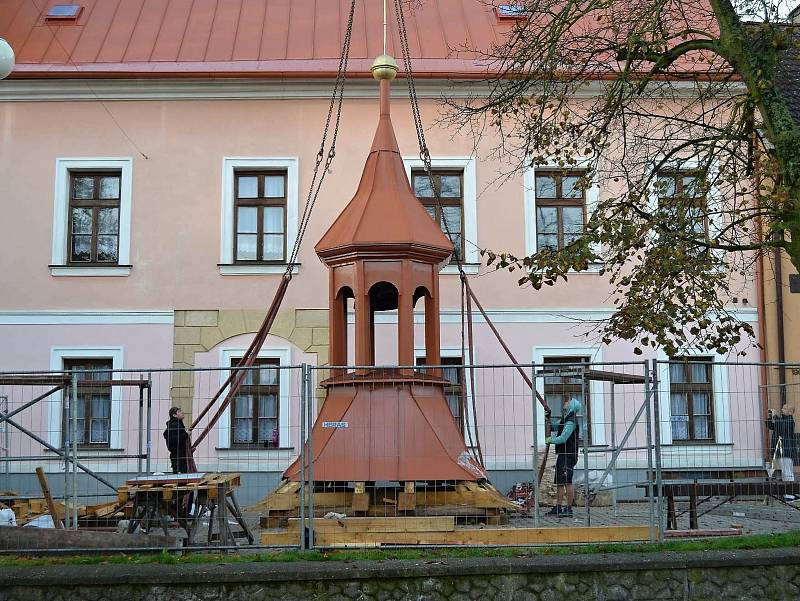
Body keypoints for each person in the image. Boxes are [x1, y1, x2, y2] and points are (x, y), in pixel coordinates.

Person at [544, 397, 582, 518]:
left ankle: (569, 509)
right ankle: (559, 507)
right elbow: (555, 427)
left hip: (568, 455)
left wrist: (551, 440)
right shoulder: (565, 419)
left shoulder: (571, 421)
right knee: (560, 482)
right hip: (563, 454)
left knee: (567, 482)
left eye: (568, 401)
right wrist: (547, 419)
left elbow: (563, 438)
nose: (565, 402)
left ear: (571, 406)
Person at [767, 404, 796, 487]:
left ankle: (790, 493)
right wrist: (770, 417)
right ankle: (789, 492)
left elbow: (780, 426)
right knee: (783, 473)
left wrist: (775, 416)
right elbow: (772, 426)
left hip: (786, 451)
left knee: (787, 473)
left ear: (790, 412)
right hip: (779, 451)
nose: (782, 409)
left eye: (784, 408)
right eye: (782, 407)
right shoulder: (782, 420)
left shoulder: (790, 421)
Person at [163, 406, 190, 474]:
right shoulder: (174, 425)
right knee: (180, 477)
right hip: (178, 457)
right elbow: (174, 439)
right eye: (179, 412)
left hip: (180, 456)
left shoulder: (178, 424)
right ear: (174, 415)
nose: (182, 413)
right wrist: (186, 435)